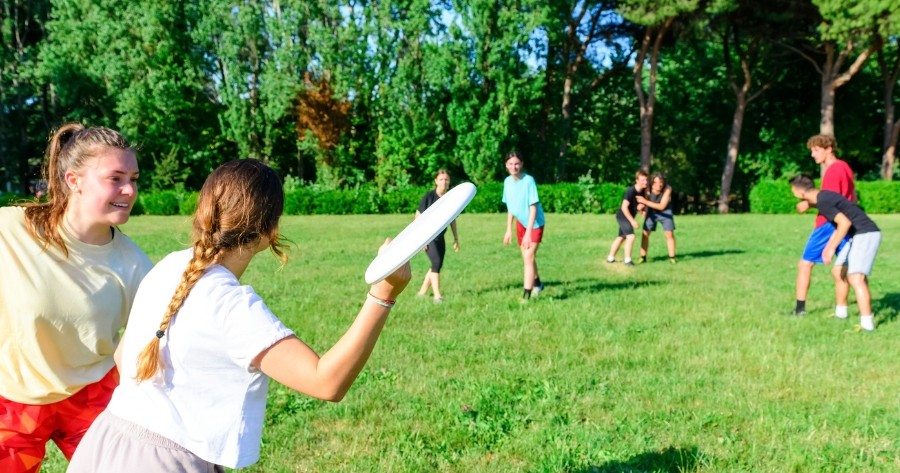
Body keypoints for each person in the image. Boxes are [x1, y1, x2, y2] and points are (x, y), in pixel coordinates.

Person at [67, 159, 412, 472]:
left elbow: (122, 356)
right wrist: (382, 295)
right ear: (270, 230)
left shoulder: (169, 265)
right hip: (166, 463)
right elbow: (326, 382)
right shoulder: (230, 304)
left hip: (105, 442)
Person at [0, 123, 152, 473]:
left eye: (134, 178)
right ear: (74, 180)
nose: (129, 190)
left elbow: (156, 343)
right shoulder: (11, 230)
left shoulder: (136, 266)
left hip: (91, 394)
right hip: (14, 397)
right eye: (115, 178)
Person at [789, 175, 880, 331]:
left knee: (856, 278)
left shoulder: (823, 201)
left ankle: (867, 325)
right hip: (857, 235)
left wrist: (830, 248)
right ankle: (841, 314)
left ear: (800, 193)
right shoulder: (823, 197)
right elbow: (838, 216)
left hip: (866, 234)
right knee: (838, 272)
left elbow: (844, 222)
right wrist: (809, 206)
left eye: (793, 191)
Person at [793, 134, 856, 316]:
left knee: (805, 264)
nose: (812, 154)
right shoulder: (845, 167)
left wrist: (808, 204)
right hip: (846, 223)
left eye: (816, 150)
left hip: (828, 224)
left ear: (828, 149)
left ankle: (799, 310)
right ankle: (841, 312)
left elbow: (830, 202)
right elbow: (851, 197)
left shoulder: (833, 170)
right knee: (842, 269)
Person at [502, 151, 545, 303]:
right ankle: (538, 284)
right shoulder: (507, 182)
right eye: (511, 164)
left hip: (535, 224)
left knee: (528, 257)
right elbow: (511, 208)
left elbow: (533, 207)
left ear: (521, 164)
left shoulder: (528, 181)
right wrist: (508, 229)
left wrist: (528, 233)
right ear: (506, 165)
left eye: (517, 163)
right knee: (527, 258)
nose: (514, 167)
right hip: (521, 223)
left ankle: (526, 296)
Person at [416, 169, 460, 303]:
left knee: (437, 265)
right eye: (441, 179)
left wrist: (456, 238)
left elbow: (452, 220)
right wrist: (421, 239)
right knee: (436, 262)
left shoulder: (450, 198)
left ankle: (422, 292)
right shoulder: (429, 197)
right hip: (428, 237)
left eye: (446, 179)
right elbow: (418, 217)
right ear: (436, 181)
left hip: (440, 237)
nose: (444, 182)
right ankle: (437, 295)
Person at [606, 170, 649, 266]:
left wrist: (641, 210)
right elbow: (624, 207)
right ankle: (627, 260)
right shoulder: (630, 191)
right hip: (622, 216)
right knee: (631, 236)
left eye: (646, 180)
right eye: (643, 180)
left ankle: (610, 258)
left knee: (621, 237)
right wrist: (632, 221)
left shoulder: (642, 192)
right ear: (637, 180)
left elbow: (638, 206)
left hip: (628, 216)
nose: (645, 182)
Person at [636, 172, 676, 264]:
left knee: (669, 234)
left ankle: (672, 257)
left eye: (661, 182)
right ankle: (643, 257)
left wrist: (645, 202)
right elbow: (642, 199)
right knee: (645, 233)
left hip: (665, 211)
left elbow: (662, 206)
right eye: (656, 182)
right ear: (652, 182)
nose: (659, 184)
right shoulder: (647, 188)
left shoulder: (667, 188)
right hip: (651, 211)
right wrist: (642, 209)